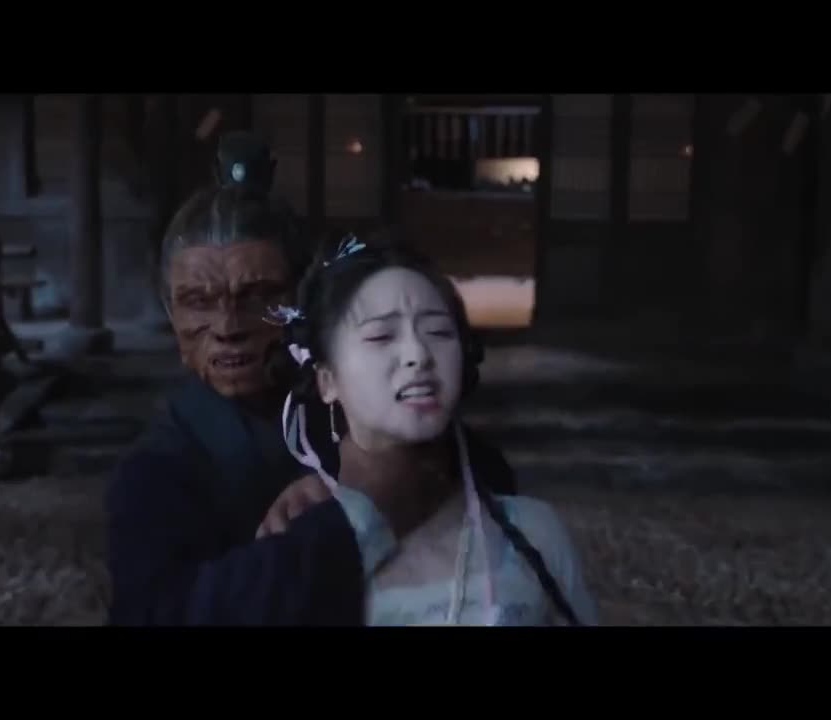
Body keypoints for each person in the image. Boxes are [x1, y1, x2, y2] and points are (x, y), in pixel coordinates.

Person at [104, 131, 517, 626]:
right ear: (171, 314)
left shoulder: (354, 406)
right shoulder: (155, 472)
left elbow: (491, 483)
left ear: (302, 301)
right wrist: (363, 511)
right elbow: (162, 614)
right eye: (198, 302)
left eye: (260, 296)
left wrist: (411, 462)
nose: (228, 327)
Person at [260, 234, 597, 625]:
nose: (418, 355)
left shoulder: (535, 533)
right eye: (381, 336)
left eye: (438, 332)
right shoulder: (300, 539)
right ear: (327, 379)